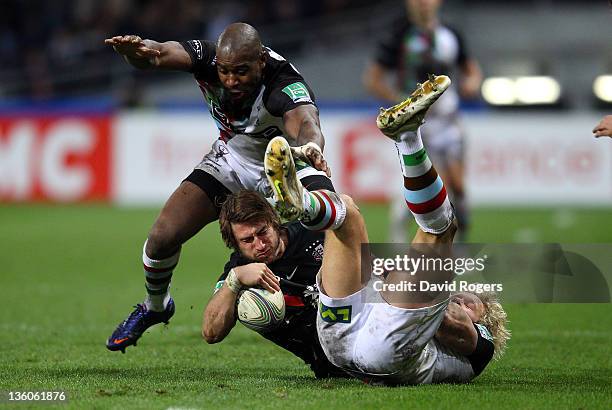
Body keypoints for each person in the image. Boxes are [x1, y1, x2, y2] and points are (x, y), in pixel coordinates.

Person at [104, 22, 338, 353]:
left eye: (241, 72)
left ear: (260, 61)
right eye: (225, 72)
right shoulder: (209, 57)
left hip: (285, 162)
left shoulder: (283, 83)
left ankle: (351, 298)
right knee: (161, 238)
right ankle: (156, 306)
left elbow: (306, 122)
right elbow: (158, 54)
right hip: (232, 161)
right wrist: (137, 52)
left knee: (331, 213)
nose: (230, 80)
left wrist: (312, 148)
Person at [264, 74, 510, 385]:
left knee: (442, 230)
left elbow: (453, 323)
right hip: (338, 338)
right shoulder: (425, 313)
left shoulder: (482, 346)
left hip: (384, 352)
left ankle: (408, 136)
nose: (461, 298)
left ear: (486, 321)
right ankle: (305, 207)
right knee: (347, 215)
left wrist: (401, 278)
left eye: (470, 302)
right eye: (463, 296)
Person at [363, 0, 482, 242]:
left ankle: (460, 243)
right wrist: (404, 103)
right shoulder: (397, 37)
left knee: (458, 186)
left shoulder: (450, 35)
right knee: (429, 183)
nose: (423, 4)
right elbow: (373, 79)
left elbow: (471, 69)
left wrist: (472, 82)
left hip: (449, 121)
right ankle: (399, 230)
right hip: (419, 125)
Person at [202, 190, 347, 378]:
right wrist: (234, 279)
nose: (260, 245)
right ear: (235, 244)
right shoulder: (239, 271)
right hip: (333, 368)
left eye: (263, 232)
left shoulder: (313, 231)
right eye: (247, 240)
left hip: (368, 331)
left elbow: (371, 266)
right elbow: (211, 333)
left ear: (274, 222)